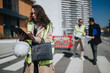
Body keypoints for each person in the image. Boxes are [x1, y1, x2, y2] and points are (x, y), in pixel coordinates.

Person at [18, 5, 54, 73]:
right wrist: (23, 38)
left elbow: (49, 39)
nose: (33, 15)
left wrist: (35, 39)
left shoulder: (48, 24)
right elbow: (28, 40)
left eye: (35, 13)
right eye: (32, 13)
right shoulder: (30, 24)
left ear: (40, 13)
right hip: (31, 56)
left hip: (43, 56)